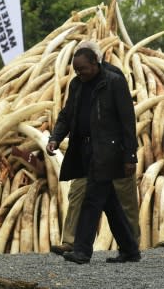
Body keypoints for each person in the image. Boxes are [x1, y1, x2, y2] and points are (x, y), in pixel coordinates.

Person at [46, 46, 140, 264]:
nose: (80, 73)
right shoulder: (77, 84)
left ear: (95, 63)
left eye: (84, 69)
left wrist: (130, 156)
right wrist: (55, 138)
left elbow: (127, 120)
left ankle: (81, 250)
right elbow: (67, 115)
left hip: (108, 152)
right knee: (110, 204)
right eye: (77, 70)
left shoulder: (113, 82)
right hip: (85, 151)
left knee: (92, 199)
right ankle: (130, 250)